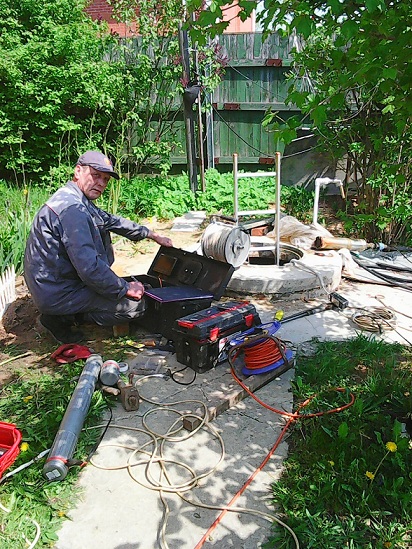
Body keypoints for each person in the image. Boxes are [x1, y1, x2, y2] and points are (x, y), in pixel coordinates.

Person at [24, 150, 173, 343]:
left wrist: (151, 234)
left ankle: (66, 312)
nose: (101, 183)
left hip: (54, 283)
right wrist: (125, 287)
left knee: (113, 284)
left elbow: (111, 221)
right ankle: (61, 318)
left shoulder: (74, 198)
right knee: (135, 306)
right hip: (57, 291)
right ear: (78, 171)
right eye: (95, 176)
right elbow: (90, 269)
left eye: (105, 179)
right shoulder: (73, 210)